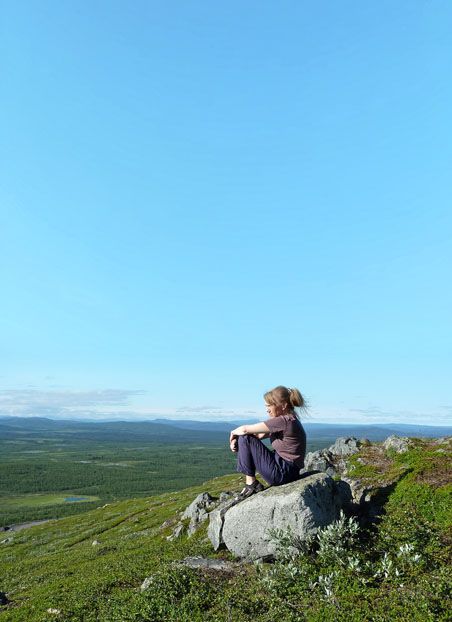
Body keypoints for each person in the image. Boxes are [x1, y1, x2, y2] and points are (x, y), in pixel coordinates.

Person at [229, 385, 307, 497]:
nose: (267, 409)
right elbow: (257, 435)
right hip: (289, 471)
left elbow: (245, 430)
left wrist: (233, 434)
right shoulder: (290, 419)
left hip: (282, 472)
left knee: (245, 437)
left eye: (270, 405)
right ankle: (251, 483)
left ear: (283, 405)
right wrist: (236, 440)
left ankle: (251, 484)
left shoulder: (284, 421)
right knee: (245, 437)